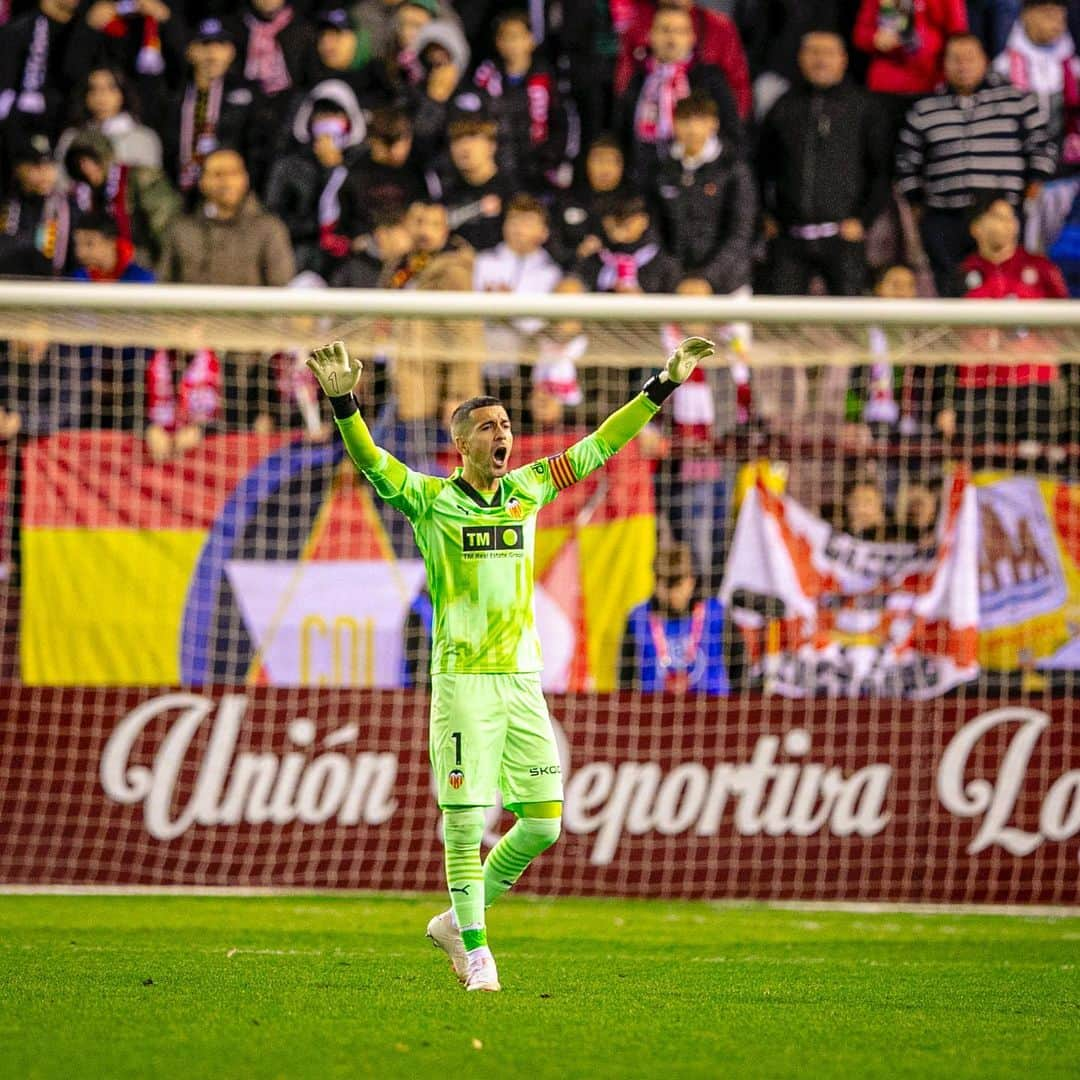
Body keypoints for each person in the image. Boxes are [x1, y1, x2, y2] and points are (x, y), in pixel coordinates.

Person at [304, 332, 715, 992]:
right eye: (490, 425)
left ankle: (453, 920)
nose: (505, 434)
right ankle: (478, 952)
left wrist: (662, 384)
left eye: (507, 425)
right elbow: (375, 464)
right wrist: (344, 404)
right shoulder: (432, 500)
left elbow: (601, 446)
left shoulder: (528, 488)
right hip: (463, 679)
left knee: (545, 823)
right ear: (462, 441)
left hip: (522, 682)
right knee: (464, 822)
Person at [896, 31, 1055, 295]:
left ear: (985, 61)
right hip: (944, 215)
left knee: (1005, 287)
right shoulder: (926, 109)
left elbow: (1043, 146)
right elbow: (906, 162)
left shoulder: (1016, 100)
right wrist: (917, 205)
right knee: (952, 289)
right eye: (955, 59)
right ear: (943, 63)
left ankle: (1008, 338)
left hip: (1001, 213)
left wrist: (1030, 189)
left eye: (969, 58)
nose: (962, 65)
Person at [757, 28, 892, 297]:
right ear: (800, 58)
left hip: (843, 238)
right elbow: (761, 166)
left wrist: (863, 221)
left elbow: (882, 171)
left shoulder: (864, 107)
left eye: (828, 53)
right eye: (814, 52)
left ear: (843, 59)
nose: (821, 60)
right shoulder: (783, 106)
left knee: (851, 325)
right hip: (790, 238)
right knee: (780, 324)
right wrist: (767, 216)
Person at [941, 193, 1068, 452]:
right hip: (976, 388)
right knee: (980, 466)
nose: (1009, 225)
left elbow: (1066, 329)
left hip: (1034, 385)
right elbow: (947, 343)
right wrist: (946, 403)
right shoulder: (960, 275)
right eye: (999, 217)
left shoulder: (1042, 269)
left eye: (1012, 218)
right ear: (976, 227)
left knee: (1034, 465)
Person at [615, 4, 742, 185]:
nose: (671, 37)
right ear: (651, 35)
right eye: (664, 30)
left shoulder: (709, 79)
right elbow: (622, 133)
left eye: (680, 31)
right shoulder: (638, 79)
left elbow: (733, 133)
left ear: (692, 37)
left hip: (697, 183)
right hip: (645, 180)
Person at [653, 91, 755, 295]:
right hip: (677, 286)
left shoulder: (733, 168)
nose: (691, 127)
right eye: (684, 119)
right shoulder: (663, 171)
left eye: (699, 119)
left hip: (729, 285)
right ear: (673, 124)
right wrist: (679, 279)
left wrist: (707, 278)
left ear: (714, 124)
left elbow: (741, 233)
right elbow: (656, 233)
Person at [469, 10, 567, 192]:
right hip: (498, 164)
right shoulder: (486, 75)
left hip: (538, 165)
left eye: (517, 37)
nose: (512, 44)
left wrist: (550, 158)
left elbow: (560, 121)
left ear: (530, 40)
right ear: (497, 42)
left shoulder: (545, 77)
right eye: (506, 37)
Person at [619, 542, 729, 693]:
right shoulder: (638, 618)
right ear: (655, 582)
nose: (672, 593)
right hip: (656, 710)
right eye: (665, 585)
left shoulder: (716, 613)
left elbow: (739, 668)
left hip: (711, 708)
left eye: (677, 584)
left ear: (691, 581)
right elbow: (625, 678)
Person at [433, 116, 515, 252]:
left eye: (473, 138)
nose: (464, 147)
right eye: (457, 140)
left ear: (492, 146)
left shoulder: (511, 190)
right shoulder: (448, 194)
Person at [548, 134, 631, 270]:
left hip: (620, 276)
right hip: (574, 273)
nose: (604, 168)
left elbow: (649, 250)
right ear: (586, 163)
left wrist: (620, 239)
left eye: (610, 161)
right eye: (598, 160)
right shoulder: (567, 201)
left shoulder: (634, 205)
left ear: (621, 166)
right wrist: (577, 253)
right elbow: (553, 244)